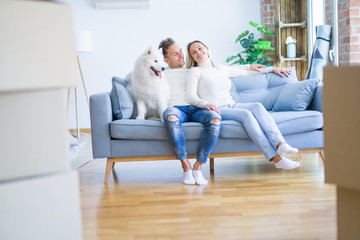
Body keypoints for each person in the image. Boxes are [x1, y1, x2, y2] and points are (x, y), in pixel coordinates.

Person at [185, 40, 300, 170]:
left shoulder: (220, 69)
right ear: (192, 57)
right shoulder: (195, 72)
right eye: (194, 52)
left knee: (257, 106)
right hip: (217, 109)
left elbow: (244, 70)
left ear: (207, 48)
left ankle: (280, 144)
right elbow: (190, 96)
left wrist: (272, 69)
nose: (198, 53)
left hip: (231, 105)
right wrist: (205, 104)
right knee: (246, 114)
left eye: (200, 48)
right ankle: (276, 159)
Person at [158, 38, 221, 185]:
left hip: (197, 108)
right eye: (175, 54)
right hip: (177, 109)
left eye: (181, 51)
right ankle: (186, 167)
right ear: (166, 60)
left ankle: (198, 167)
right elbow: (134, 76)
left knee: (215, 119)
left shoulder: (194, 70)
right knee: (171, 117)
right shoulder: (161, 74)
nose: (181, 55)